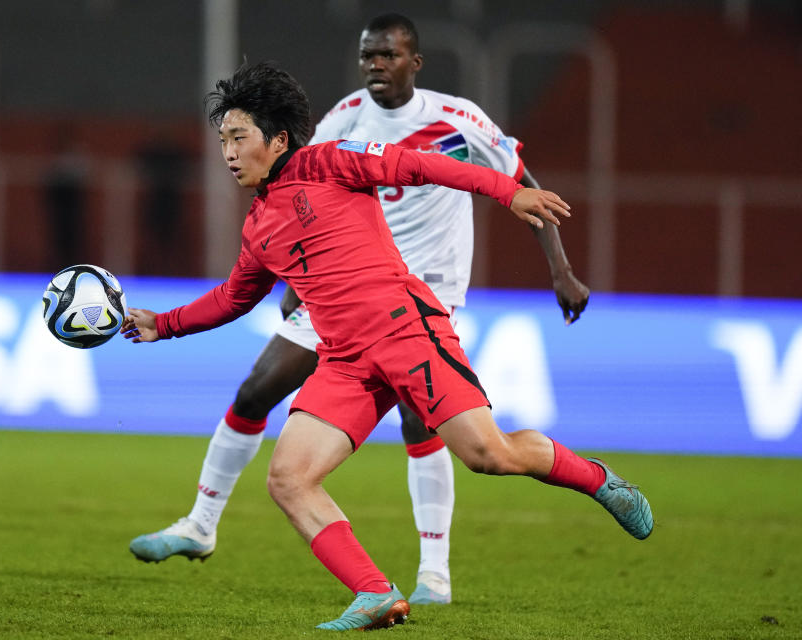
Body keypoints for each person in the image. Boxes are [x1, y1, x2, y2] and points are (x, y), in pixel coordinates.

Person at [122, 61, 652, 631]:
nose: (227, 152)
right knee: (288, 478)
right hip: (345, 363)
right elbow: (233, 297)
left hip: (408, 332)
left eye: (238, 137)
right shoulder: (258, 227)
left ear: (276, 139)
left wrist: (509, 193)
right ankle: (375, 592)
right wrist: (163, 324)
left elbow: (421, 164)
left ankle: (598, 479)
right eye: (222, 139)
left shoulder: (329, 160)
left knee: (488, 456)